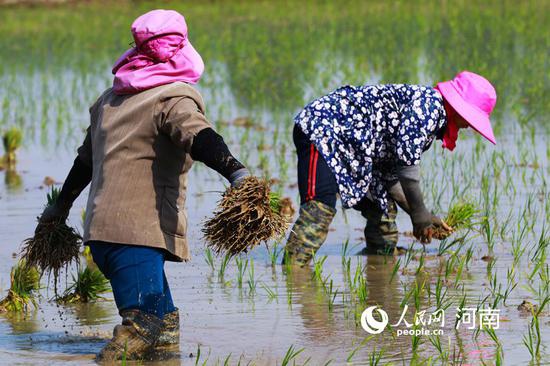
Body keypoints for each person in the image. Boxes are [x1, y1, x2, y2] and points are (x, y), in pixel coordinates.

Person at [37, 9, 250, 361]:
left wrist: (59, 207)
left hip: (104, 234)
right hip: (134, 237)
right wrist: (237, 174)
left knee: (164, 328)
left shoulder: (109, 99)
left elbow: (83, 163)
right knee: (142, 326)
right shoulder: (171, 98)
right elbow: (200, 137)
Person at [283, 71, 497, 265]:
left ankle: (379, 269)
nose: (469, 125)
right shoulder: (428, 107)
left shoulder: (433, 121)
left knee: (382, 206)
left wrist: (422, 215)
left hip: (357, 147)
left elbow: (392, 177)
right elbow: (407, 167)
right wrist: (419, 214)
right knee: (320, 207)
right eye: (469, 118)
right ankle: (293, 275)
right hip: (323, 130)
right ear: (457, 106)